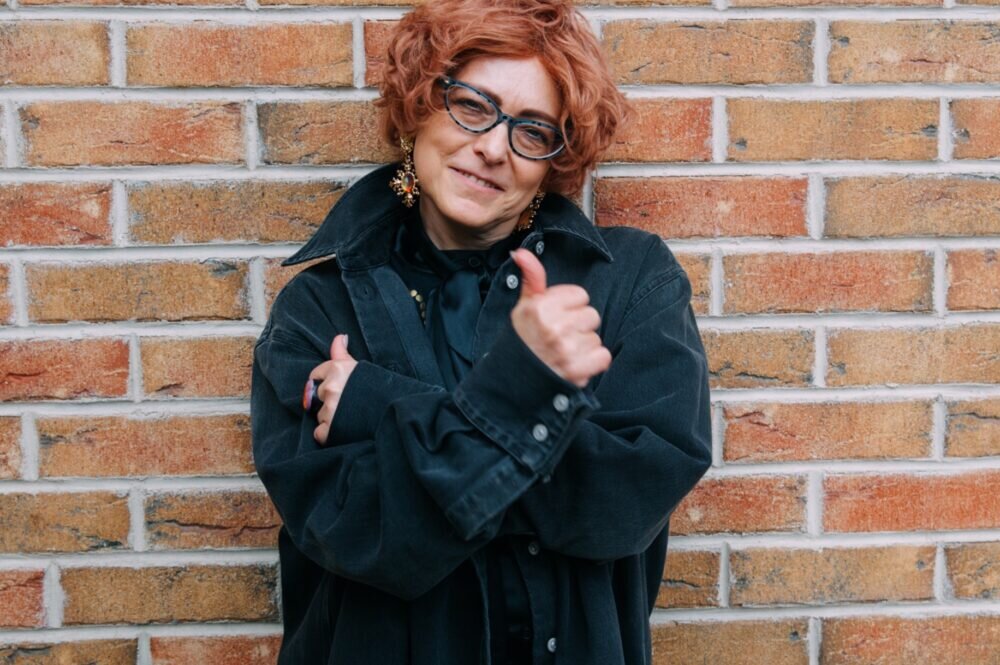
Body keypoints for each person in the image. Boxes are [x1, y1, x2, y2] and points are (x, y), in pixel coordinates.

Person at [250, 0, 712, 663]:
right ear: (419, 105)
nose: (493, 147)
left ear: (552, 160)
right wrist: (531, 407)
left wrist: (380, 405)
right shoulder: (319, 311)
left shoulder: (630, 281)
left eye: (532, 131)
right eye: (472, 105)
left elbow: (620, 504)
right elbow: (362, 534)